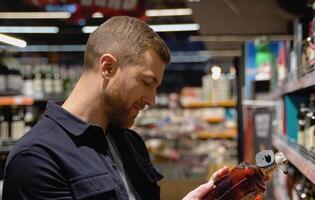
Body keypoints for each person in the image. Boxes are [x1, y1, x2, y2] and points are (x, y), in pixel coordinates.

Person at [2, 16, 231, 200]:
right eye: (146, 82)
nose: (151, 99)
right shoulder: (36, 159)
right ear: (108, 67)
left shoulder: (130, 143)